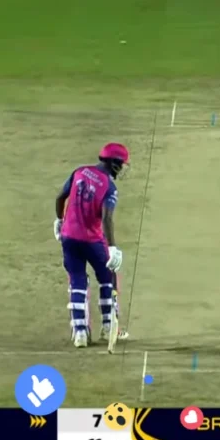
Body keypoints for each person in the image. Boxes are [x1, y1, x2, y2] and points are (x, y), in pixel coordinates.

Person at [54, 143, 130, 351]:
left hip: (69, 237)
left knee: (77, 281)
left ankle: (79, 331)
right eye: (122, 164)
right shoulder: (109, 187)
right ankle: (108, 326)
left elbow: (60, 197)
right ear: (114, 164)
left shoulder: (79, 172)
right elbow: (106, 218)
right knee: (108, 277)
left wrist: (59, 220)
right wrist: (112, 247)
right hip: (92, 240)